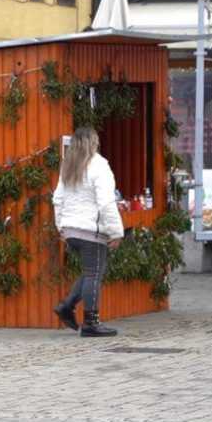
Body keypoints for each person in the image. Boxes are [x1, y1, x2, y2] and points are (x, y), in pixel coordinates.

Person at [52, 127, 124, 337]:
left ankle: (66, 306)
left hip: (72, 230)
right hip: (91, 231)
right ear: (94, 143)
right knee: (94, 274)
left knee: (89, 272)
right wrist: (116, 231)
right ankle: (91, 323)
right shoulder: (99, 165)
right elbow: (106, 202)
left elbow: (58, 199)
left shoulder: (69, 165)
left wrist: (61, 227)